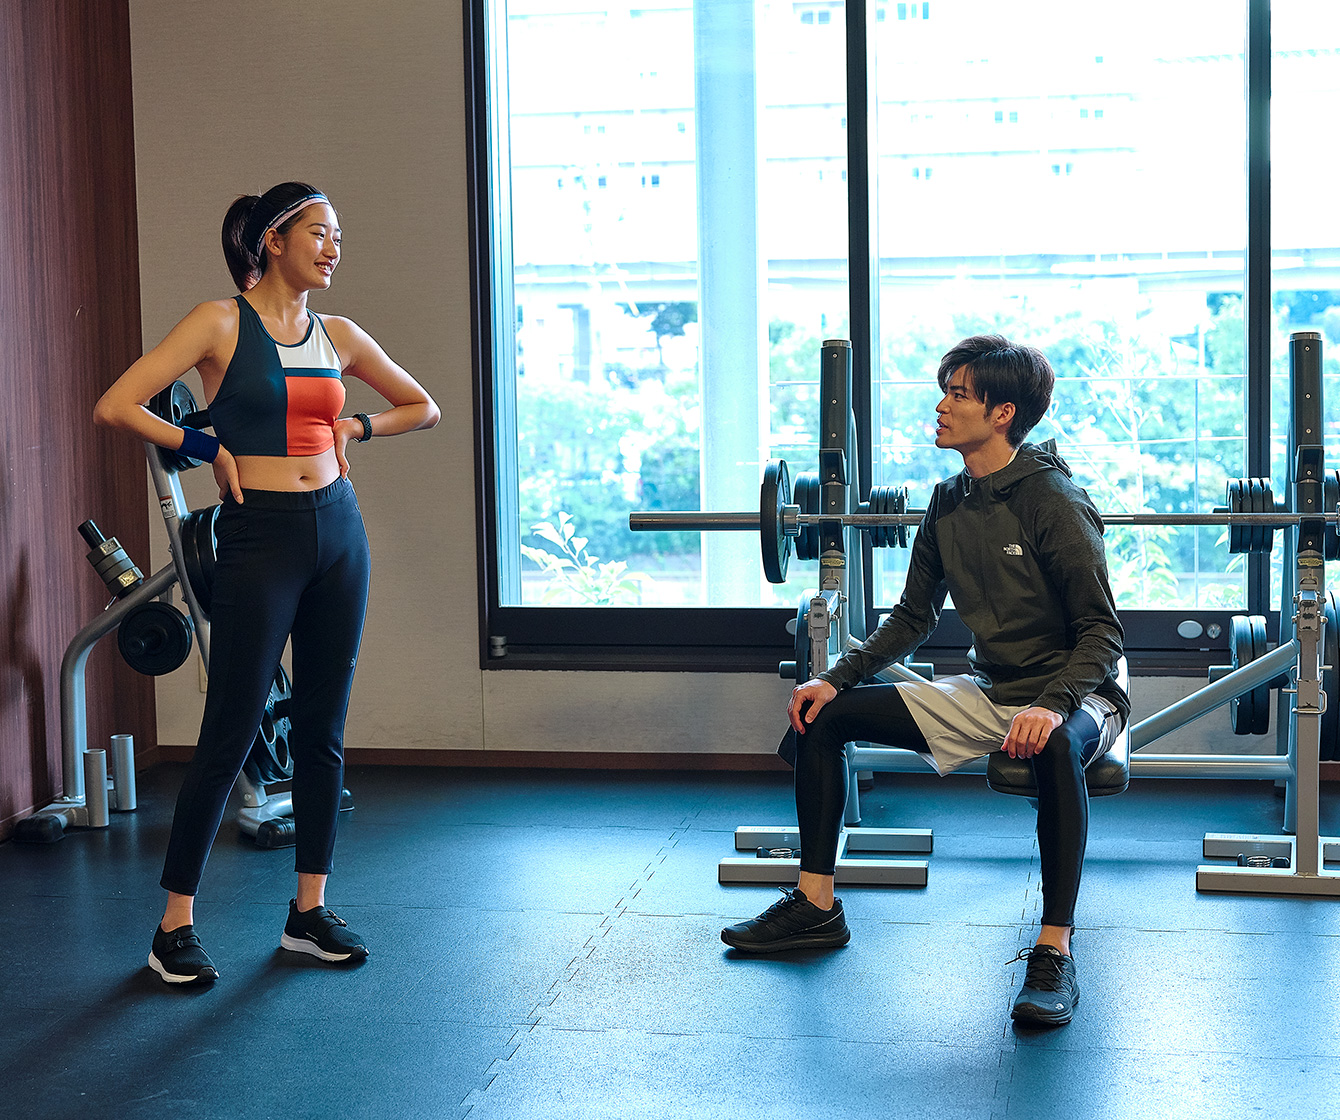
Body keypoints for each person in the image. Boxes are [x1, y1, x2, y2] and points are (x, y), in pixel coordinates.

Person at [720, 335, 1128, 1028]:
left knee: (1057, 746)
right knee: (824, 717)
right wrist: (836, 679)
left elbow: (1102, 634)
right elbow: (913, 616)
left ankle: (1054, 949)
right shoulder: (948, 502)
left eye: (958, 395)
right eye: (945, 392)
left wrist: (1053, 706)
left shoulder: (1052, 500)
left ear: (1002, 413)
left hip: (1078, 690)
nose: (941, 407)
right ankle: (816, 906)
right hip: (992, 692)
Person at [94, 182, 440, 984]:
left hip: (338, 531)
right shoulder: (219, 322)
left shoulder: (339, 334)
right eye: (319, 233)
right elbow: (117, 404)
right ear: (274, 240)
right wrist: (204, 446)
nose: (333, 248)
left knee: (322, 727)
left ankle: (308, 912)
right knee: (232, 726)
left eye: (339, 236)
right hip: (261, 535)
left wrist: (355, 425)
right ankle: (173, 927)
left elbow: (423, 406)